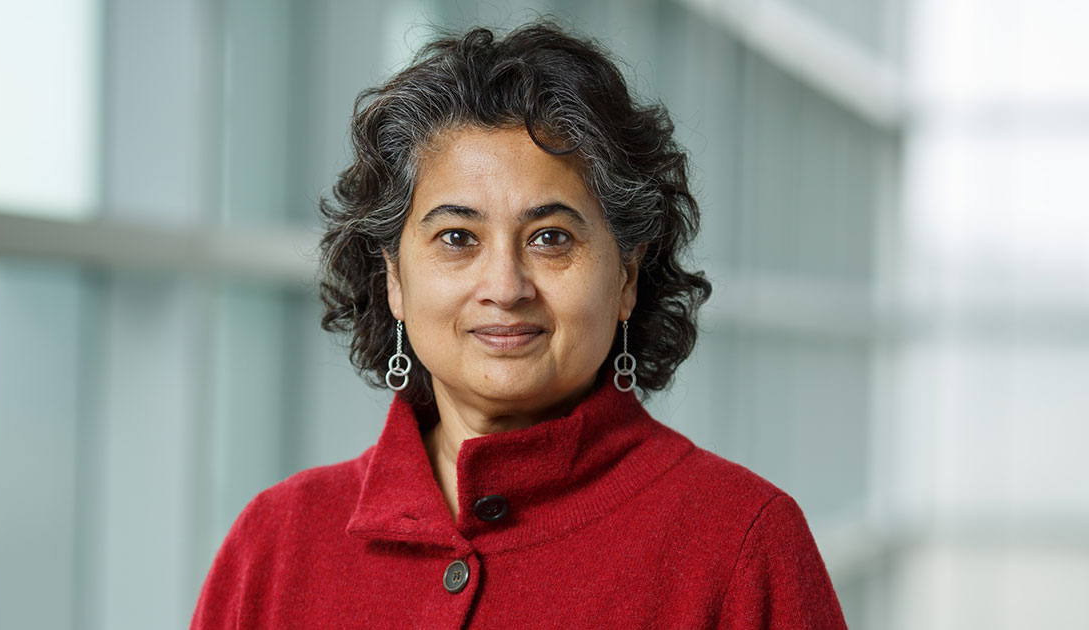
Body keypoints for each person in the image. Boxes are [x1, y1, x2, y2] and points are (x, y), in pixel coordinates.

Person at [192, 21, 846, 629]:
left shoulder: (742, 543)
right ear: (393, 278)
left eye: (551, 238)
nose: (505, 287)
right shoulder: (275, 544)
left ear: (626, 276)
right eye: (456, 237)